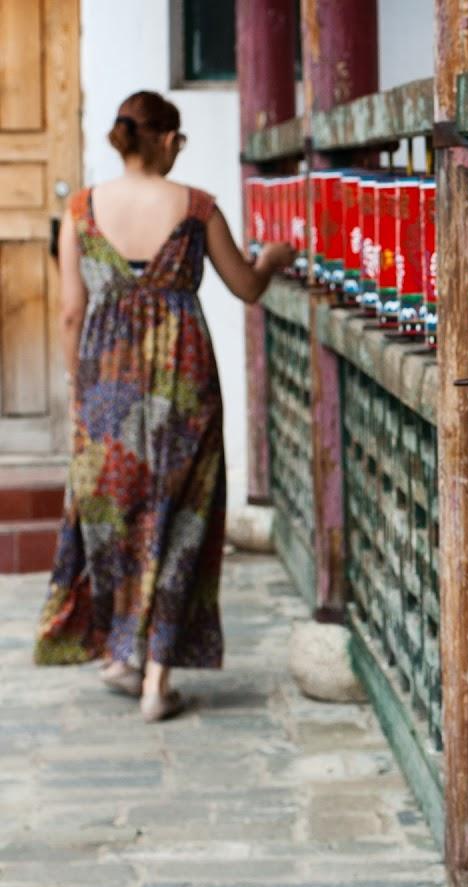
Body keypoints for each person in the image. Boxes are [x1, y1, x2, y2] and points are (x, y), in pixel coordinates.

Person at [35, 90, 292, 722]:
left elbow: (71, 311)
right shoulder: (197, 207)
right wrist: (275, 259)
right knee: (181, 517)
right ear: (165, 139)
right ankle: (155, 678)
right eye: (178, 138)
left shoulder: (79, 209)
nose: (181, 148)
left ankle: (120, 652)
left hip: (106, 382)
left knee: (115, 513)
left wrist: (80, 391)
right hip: (185, 379)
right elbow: (247, 287)